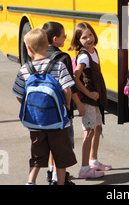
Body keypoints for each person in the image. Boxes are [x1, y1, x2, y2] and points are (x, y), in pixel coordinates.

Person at [12, 28, 77, 185]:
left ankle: (31, 181)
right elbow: (67, 89)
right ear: (48, 43)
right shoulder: (59, 66)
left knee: (37, 155)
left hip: (35, 123)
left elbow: (19, 94)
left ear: (28, 49)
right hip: (58, 122)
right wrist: (67, 104)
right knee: (60, 156)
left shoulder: (25, 69)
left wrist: (31, 108)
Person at [42, 21, 85, 185]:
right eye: (63, 36)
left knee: (53, 143)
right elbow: (69, 86)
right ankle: (59, 179)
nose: (66, 38)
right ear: (55, 39)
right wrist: (78, 105)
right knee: (64, 145)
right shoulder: (63, 57)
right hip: (61, 110)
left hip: (45, 109)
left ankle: (51, 172)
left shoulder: (40, 54)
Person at [69, 22, 110, 178]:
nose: (88, 39)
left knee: (98, 128)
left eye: (90, 35)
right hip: (89, 99)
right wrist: (89, 93)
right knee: (89, 132)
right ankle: (84, 169)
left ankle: (93, 161)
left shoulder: (93, 51)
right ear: (78, 41)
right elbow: (75, 77)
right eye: (84, 37)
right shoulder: (84, 55)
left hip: (96, 99)